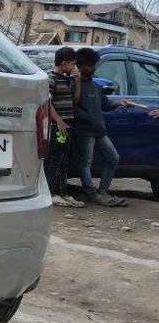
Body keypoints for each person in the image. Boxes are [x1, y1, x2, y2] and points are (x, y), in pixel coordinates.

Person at [71, 47, 134, 207]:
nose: (92, 68)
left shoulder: (95, 85)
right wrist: (90, 119)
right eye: (90, 65)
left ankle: (103, 191)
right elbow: (73, 107)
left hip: (99, 130)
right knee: (86, 162)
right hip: (84, 131)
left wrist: (119, 103)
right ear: (80, 66)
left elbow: (105, 104)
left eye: (93, 65)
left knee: (113, 158)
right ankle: (91, 194)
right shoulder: (73, 84)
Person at [44, 47, 82, 207]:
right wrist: (58, 121)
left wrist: (77, 82)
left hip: (68, 125)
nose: (74, 67)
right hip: (56, 126)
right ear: (64, 63)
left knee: (64, 160)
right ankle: (51, 193)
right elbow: (46, 102)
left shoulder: (68, 79)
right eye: (72, 64)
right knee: (54, 159)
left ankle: (63, 192)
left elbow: (75, 100)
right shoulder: (50, 78)